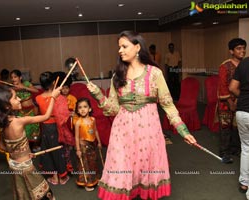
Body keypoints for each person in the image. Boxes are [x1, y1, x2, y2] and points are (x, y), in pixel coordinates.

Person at [86, 30, 196, 200]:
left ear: (137, 47)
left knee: (146, 168)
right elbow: (113, 109)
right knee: (122, 169)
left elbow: (168, 104)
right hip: (122, 132)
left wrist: (184, 131)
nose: (120, 50)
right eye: (119, 47)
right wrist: (98, 96)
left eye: (124, 46)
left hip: (148, 131)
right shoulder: (117, 76)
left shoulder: (154, 74)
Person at [0, 85, 61, 200]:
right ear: (6, 105)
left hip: (14, 166)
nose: (19, 99)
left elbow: (3, 147)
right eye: (15, 97)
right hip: (26, 168)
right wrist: (52, 97)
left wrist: (23, 152)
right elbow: (46, 116)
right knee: (44, 195)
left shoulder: (2, 124)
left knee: (24, 194)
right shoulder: (19, 121)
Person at [35, 71, 69, 185]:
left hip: (45, 126)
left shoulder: (38, 98)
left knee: (47, 150)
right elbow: (64, 114)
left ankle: (54, 176)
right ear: (54, 82)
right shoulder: (58, 97)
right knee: (58, 150)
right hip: (55, 126)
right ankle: (62, 177)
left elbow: (39, 113)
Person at [217, 38, 246, 164]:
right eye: (239, 48)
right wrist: (230, 102)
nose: (243, 51)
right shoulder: (225, 66)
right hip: (226, 102)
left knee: (237, 127)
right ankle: (224, 152)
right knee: (225, 127)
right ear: (231, 51)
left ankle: (235, 149)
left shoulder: (245, 64)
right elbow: (223, 86)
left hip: (241, 100)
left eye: (244, 48)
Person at [229, 56, 249, 199]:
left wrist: (244, 98)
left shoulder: (244, 63)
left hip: (243, 112)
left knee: (246, 148)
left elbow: (232, 87)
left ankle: (244, 183)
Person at [74, 97, 102, 192]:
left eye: (85, 107)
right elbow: (77, 137)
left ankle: (94, 179)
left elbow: (96, 131)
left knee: (93, 162)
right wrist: (78, 149)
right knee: (85, 165)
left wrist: (99, 142)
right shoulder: (78, 122)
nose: (82, 109)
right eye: (80, 107)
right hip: (83, 147)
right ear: (77, 110)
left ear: (89, 109)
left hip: (92, 145)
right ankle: (87, 182)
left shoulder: (93, 119)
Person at [10, 69, 40, 151]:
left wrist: (24, 87)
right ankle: (26, 148)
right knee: (24, 130)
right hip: (21, 112)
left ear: (20, 77)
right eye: (12, 77)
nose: (13, 79)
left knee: (34, 128)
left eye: (15, 77)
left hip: (31, 110)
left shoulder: (26, 84)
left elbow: (36, 90)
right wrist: (14, 90)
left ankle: (35, 146)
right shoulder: (12, 88)